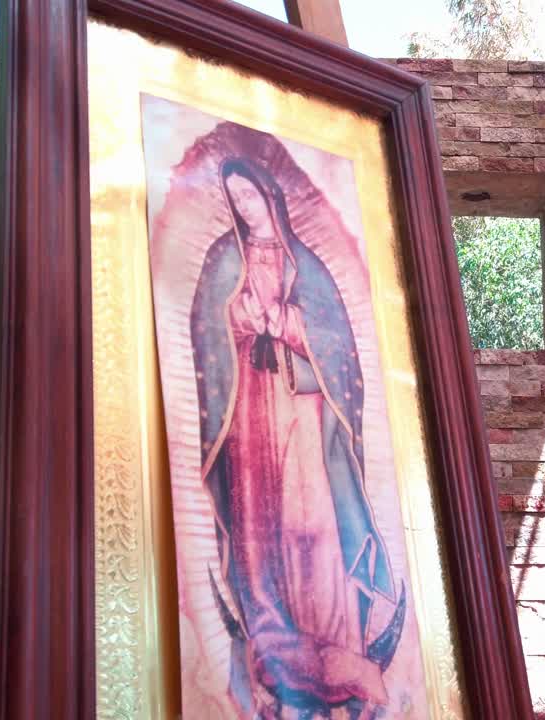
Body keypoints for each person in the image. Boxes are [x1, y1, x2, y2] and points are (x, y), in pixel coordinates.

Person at [188, 156, 405, 719]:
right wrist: (240, 317)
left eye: (252, 198)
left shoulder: (306, 265)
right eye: (236, 202)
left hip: (304, 415)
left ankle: (335, 644)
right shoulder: (222, 260)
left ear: (270, 196)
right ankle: (277, 653)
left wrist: (284, 321)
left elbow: (340, 352)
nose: (246, 209)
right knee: (262, 532)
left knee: (313, 525)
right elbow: (208, 331)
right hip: (250, 420)